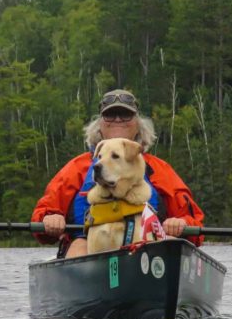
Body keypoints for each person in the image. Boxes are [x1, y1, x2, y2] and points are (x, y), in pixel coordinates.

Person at [31, 89, 204, 258]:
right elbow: (43, 217)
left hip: (147, 241)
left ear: (138, 125)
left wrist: (182, 223)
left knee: (171, 245)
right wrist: (50, 218)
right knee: (79, 249)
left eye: (125, 115)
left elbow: (194, 225)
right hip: (87, 241)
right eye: (110, 115)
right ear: (99, 125)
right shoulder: (77, 168)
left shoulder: (160, 170)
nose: (118, 120)